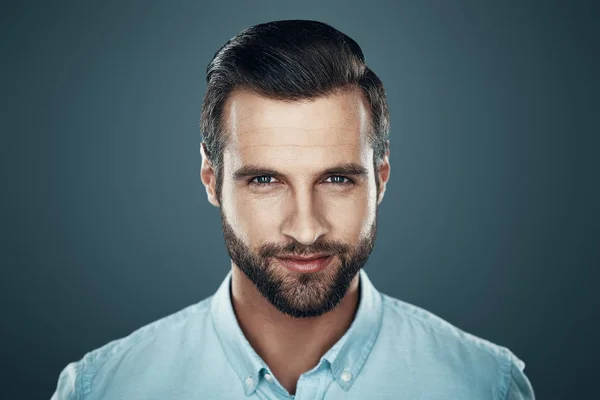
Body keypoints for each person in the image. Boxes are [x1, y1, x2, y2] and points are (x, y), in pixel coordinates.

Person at [51, 20, 535, 399]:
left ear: (381, 179)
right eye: (265, 180)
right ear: (211, 180)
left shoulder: (483, 386)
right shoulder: (104, 389)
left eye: (338, 179)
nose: (306, 228)